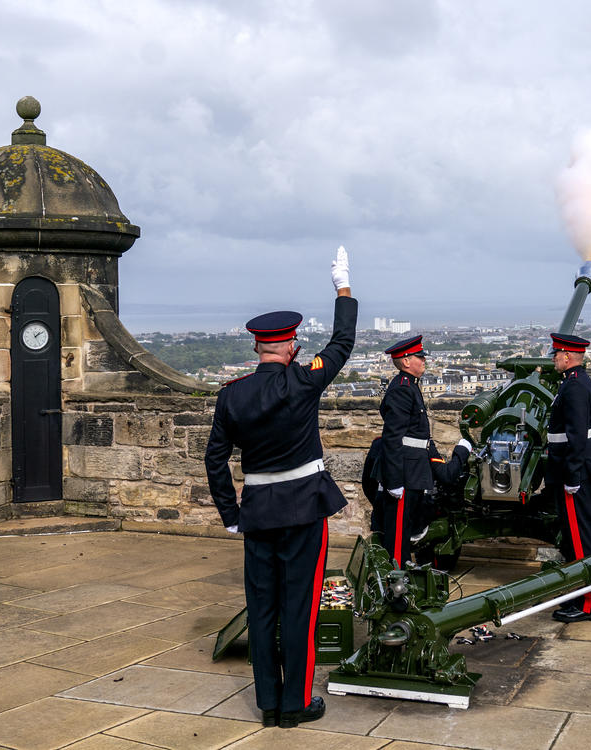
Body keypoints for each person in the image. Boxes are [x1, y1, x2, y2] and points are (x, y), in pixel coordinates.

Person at [204, 247, 356, 728]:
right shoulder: (303, 381)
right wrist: (343, 287)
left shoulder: (233, 394)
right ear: (290, 347)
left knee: (262, 607)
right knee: (301, 609)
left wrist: (231, 515)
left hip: (259, 511)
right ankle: (295, 704)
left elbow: (214, 459)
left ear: (257, 348)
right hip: (304, 508)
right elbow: (343, 341)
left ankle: (269, 702)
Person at [544, 332, 591, 623]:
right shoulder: (576, 383)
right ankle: (578, 598)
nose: (554, 358)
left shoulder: (575, 387)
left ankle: (587, 604)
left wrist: (572, 475)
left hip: (573, 474)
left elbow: (577, 435)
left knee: (581, 541)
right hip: (574, 469)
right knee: (575, 538)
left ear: (568, 356)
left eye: (556, 354)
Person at [375, 335, 433, 567]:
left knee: (406, 528)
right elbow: (393, 438)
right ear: (407, 361)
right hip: (405, 472)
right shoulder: (402, 389)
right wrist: (394, 480)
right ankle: (396, 583)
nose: (424, 361)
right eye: (420, 357)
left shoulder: (410, 387)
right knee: (398, 536)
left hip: (414, 468)